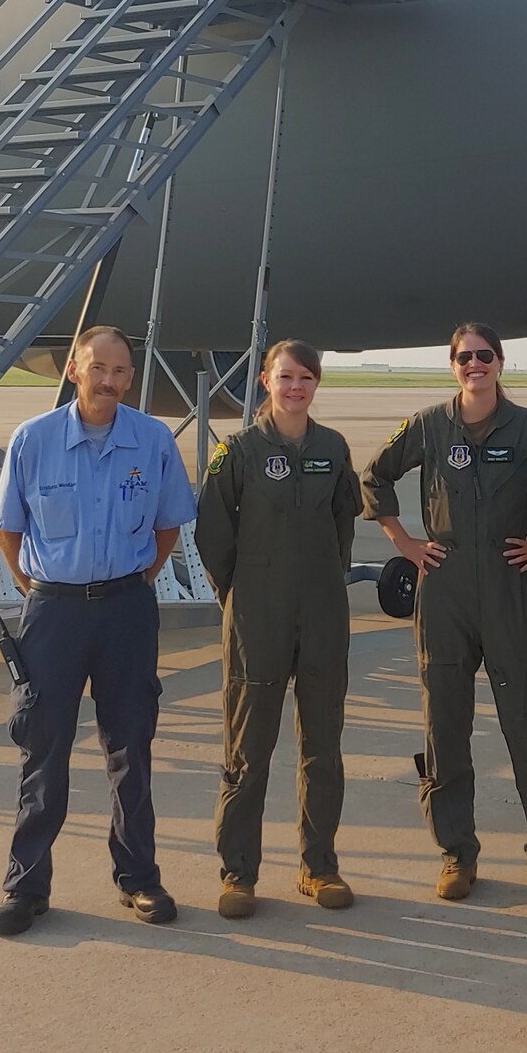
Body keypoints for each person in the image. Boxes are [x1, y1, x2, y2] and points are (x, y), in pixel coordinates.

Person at [0, 325, 196, 937]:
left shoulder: (153, 440)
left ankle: (139, 878)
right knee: (43, 748)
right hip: (53, 612)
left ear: (131, 378)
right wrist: (42, 593)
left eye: (121, 372)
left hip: (126, 610)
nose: (110, 380)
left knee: (131, 746)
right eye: (98, 368)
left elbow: (166, 528)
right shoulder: (34, 440)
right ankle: (26, 887)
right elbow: (9, 529)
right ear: (75, 370)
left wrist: (129, 584)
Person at [361, 323, 527, 901]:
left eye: (484, 356)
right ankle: (456, 851)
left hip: (509, 584)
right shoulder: (429, 426)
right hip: (445, 587)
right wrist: (403, 543)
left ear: (500, 362)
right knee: (445, 721)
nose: (474, 364)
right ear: (453, 364)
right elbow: (375, 474)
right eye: (464, 357)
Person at [195, 340, 363, 918]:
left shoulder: (333, 448)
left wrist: (318, 583)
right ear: (265, 381)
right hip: (255, 617)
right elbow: (213, 535)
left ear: (316, 384)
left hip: (321, 613)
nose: (296, 387)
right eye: (285, 377)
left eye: (306, 378)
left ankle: (320, 867)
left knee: (324, 747)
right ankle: (238, 873)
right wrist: (240, 594)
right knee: (249, 748)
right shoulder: (238, 451)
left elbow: (343, 522)